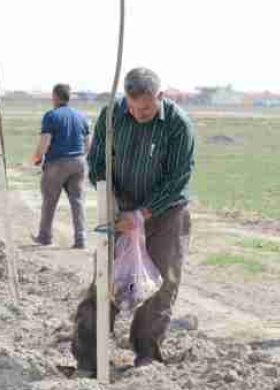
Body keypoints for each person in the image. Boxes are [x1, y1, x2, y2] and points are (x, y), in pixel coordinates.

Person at [71, 67, 195, 371]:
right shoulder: (111, 116)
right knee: (106, 280)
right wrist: (112, 203)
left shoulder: (178, 124)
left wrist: (142, 214)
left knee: (161, 283)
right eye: (134, 107)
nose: (140, 114)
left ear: (160, 97)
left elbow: (178, 178)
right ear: (126, 99)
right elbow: (97, 162)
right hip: (120, 211)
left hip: (165, 214)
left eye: (148, 108)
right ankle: (89, 357)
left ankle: (146, 353)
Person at [31, 84, 91, 249]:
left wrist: (37, 157)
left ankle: (45, 237)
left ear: (55, 96)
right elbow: (88, 143)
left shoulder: (51, 116)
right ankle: (81, 239)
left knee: (49, 200)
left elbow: (45, 140)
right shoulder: (81, 116)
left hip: (57, 163)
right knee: (77, 201)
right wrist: (81, 158)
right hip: (79, 162)